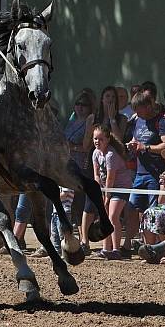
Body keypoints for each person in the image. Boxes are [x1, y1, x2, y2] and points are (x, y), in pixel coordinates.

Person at [123, 90, 165, 252]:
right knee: (131, 207)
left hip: (157, 173)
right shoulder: (137, 121)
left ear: (148, 106)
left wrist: (146, 147)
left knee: (153, 211)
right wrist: (132, 145)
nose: (136, 113)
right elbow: (135, 139)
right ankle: (128, 243)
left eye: (139, 109)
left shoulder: (162, 122)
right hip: (140, 172)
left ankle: (155, 246)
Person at [91, 124, 134, 260]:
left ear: (108, 139)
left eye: (101, 139)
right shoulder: (95, 153)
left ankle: (116, 249)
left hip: (120, 188)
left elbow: (111, 176)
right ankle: (106, 248)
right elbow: (96, 175)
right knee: (104, 217)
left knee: (113, 216)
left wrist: (107, 196)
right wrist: (100, 193)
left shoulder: (110, 155)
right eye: (95, 139)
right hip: (106, 189)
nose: (97, 142)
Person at [64, 92, 92, 251]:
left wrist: (72, 147)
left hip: (81, 166)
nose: (80, 107)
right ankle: (75, 239)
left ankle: (84, 241)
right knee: (71, 205)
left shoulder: (89, 122)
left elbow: (87, 146)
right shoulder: (72, 121)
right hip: (68, 165)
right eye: (78, 104)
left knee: (80, 203)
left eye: (84, 104)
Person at [84, 86, 128, 153]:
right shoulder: (92, 118)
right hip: (94, 156)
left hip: (113, 156)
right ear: (102, 99)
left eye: (113, 97)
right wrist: (90, 132)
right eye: (107, 96)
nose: (111, 99)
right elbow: (85, 145)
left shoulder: (122, 119)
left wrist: (112, 119)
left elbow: (119, 140)